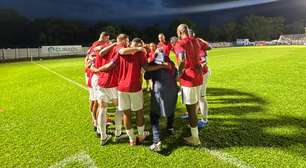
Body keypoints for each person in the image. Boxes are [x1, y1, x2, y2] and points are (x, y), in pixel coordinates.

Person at [116, 36, 170, 145]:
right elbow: (147, 68)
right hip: (134, 86)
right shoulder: (140, 53)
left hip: (121, 87)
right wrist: (162, 66)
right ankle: (141, 136)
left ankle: (131, 139)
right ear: (139, 45)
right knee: (139, 111)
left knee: (126, 113)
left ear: (131, 43)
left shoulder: (122, 52)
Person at [144, 48, 179, 152]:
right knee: (171, 109)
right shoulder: (171, 62)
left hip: (159, 91)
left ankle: (156, 141)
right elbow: (176, 75)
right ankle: (169, 128)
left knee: (154, 116)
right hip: (172, 89)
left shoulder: (153, 64)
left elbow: (146, 76)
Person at [175, 24, 203, 146]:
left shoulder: (180, 43)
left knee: (190, 109)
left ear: (180, 32)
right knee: (195, 104)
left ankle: (195, 138)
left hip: (189, 79)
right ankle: (194, 126)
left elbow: (181, 59)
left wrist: (178, 74)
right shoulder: (196, 40)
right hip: (198, 77)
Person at [188, 29, 212, 128]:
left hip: (202, 74)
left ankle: (204, 119)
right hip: (196, 74)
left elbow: (203, 61)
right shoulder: (190, 44)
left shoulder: (198, 43)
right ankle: (195, 113)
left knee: (201, 97)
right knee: (197, 96)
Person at [84, 52, 98, 132]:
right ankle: (95, 121)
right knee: (95, 102)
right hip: (93, 83)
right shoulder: (90, 63)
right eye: (93, 56)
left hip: (92, 83)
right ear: (89, 57)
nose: (95, 57)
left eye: (95, 55)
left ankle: (95, 120)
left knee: (94, 101)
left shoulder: (90, 61)